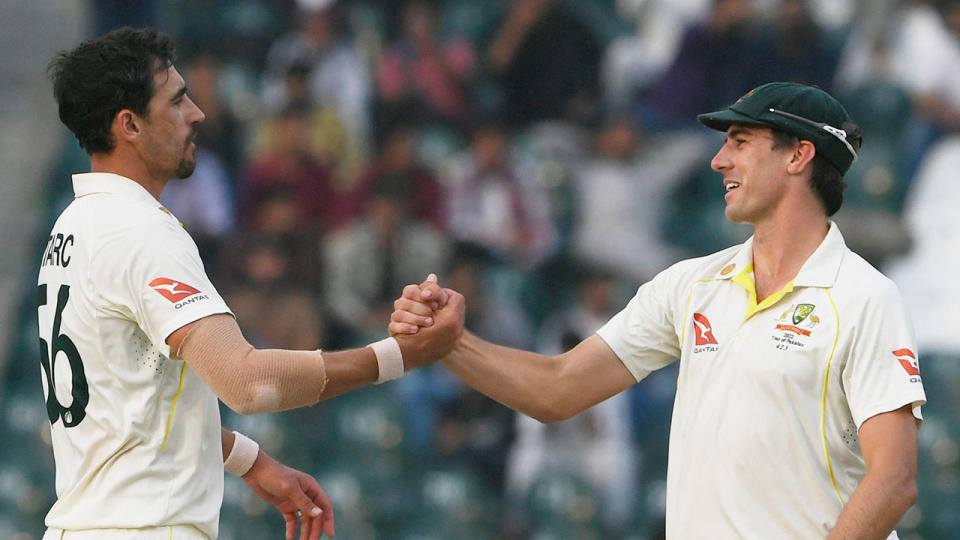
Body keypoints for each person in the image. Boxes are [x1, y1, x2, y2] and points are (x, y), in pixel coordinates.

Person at [392, 82, 927, 538]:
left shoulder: (864, 296)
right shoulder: (690, 285)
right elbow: (557, 389)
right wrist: (452, 343)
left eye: (740, 142)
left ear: (797, 156)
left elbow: (894, 479)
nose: (720, 160)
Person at [40, 27, 462, 540]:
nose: (197, 113)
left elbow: (131, 414)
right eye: (177, 101)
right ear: (129, 124)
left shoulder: (71, 227)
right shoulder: (142, 232)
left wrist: (251, 460)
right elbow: (246, 380)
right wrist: (397, 357)